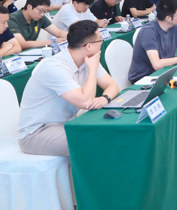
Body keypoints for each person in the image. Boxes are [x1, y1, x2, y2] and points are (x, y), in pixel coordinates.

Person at [17, 20, 120, 157]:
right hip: (36, 132)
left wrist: (105, 98)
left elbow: (112, 86)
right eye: (100, 40)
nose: (102, 43)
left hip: (66, 124)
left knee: (110, 131)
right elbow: (85, 102)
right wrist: (92, 69)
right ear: (89, 46)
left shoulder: (88, 59)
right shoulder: (55, 66)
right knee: (94, 140)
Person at [127, 0, 177, 84]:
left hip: (164, 72)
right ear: (168, 18)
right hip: (144, 78)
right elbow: (157, 65)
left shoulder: (173, 27)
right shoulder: (148, 32)